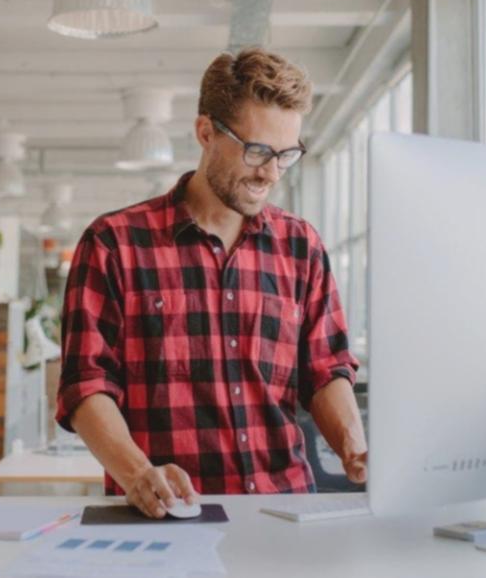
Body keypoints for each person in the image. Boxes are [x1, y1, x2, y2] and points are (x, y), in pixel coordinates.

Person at [56, 48, 365, 518]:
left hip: (284, 513)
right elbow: (86, 385)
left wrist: (355, 448)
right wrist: (138, 473)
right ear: (206, 133)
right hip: (167, 517)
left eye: (287, 154)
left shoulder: (301, 246)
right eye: (258, 150)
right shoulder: (114, 244)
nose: (271, 171)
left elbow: (325, 368)